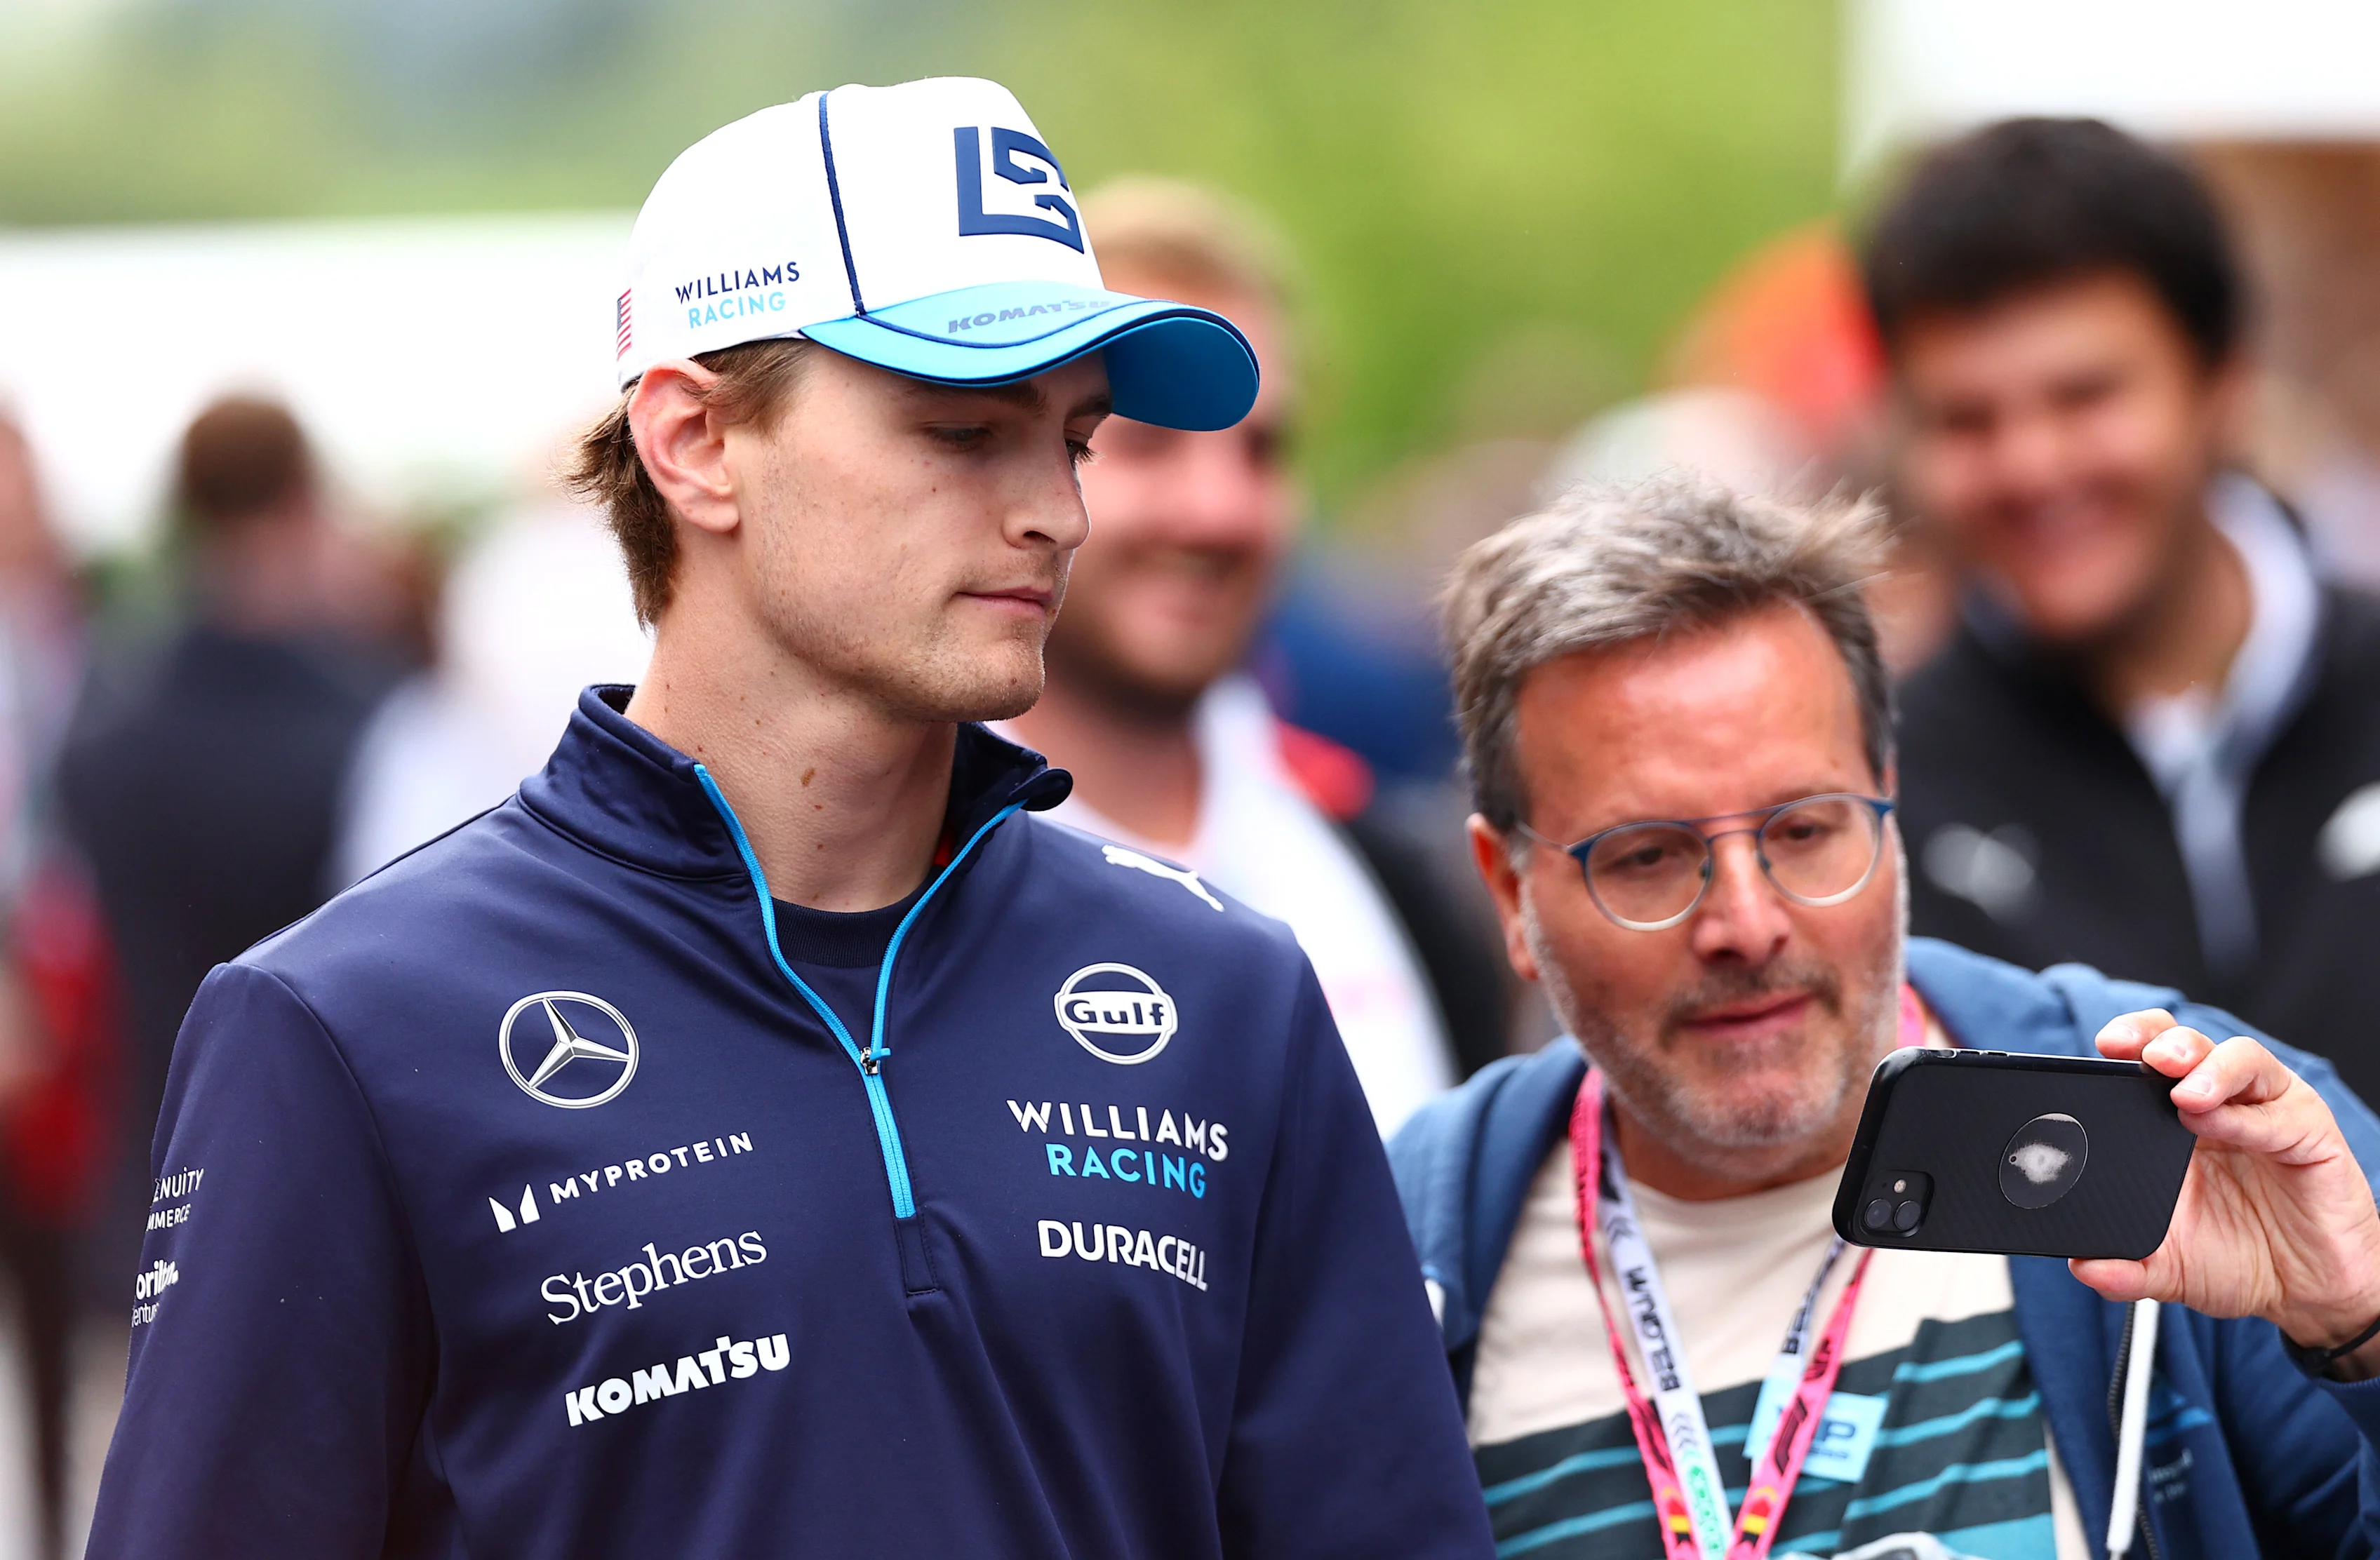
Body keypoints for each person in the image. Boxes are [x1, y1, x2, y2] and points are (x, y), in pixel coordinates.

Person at [83, 78, 1491, 1558]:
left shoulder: (1227, 991)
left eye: (1073, 438)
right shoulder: (345, 1026)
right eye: (964, 429)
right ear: (695, 440)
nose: (1057, 512)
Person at [1391, 480, 2380, 1559]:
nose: (1747, 924)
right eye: (1648, 857)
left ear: (1890, 807)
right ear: (1510, 895)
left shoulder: (2189, 1138)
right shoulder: (1399, 1255)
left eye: (1804, 830)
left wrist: (2362, 1330)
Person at [1871, 119, 2380, 1105]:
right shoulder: (1887, 785)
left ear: (2221, 384)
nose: (2031, 465)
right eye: (1966, 419)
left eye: (2084, 397)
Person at [1002, 178, 1499, 1128]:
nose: (1221, 511)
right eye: (1149, 445)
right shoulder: (886, 880)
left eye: (1262, 451)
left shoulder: (1389, 870)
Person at [60, 396, 404, 1226]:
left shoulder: (105, 722)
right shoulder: (370, 720)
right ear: (302, 498)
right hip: (321, 1176)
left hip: (155, 1166)